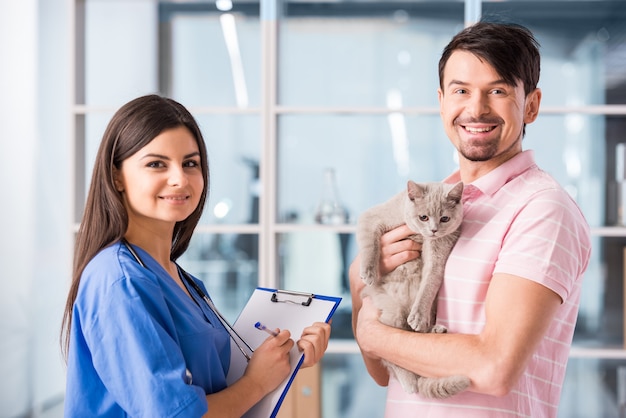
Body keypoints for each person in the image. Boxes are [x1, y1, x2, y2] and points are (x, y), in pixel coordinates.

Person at [350, 21, 591, 417]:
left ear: (531, 104)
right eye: (461, 91)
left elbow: (494, 368)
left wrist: (372, 333)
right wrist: (361, 285)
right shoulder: (432, 206)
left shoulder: (542, 209)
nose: (476, 109)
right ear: (442, 101)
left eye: (497, 91)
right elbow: (382, 373)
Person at [61, 94, 331, 417]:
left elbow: (220, 386)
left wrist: (283, 358)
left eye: (190, 163)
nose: (180, 179)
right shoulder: (119, 282)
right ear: (117, 176)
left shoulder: (182, 279)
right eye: (156, 164)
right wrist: (257, 383)